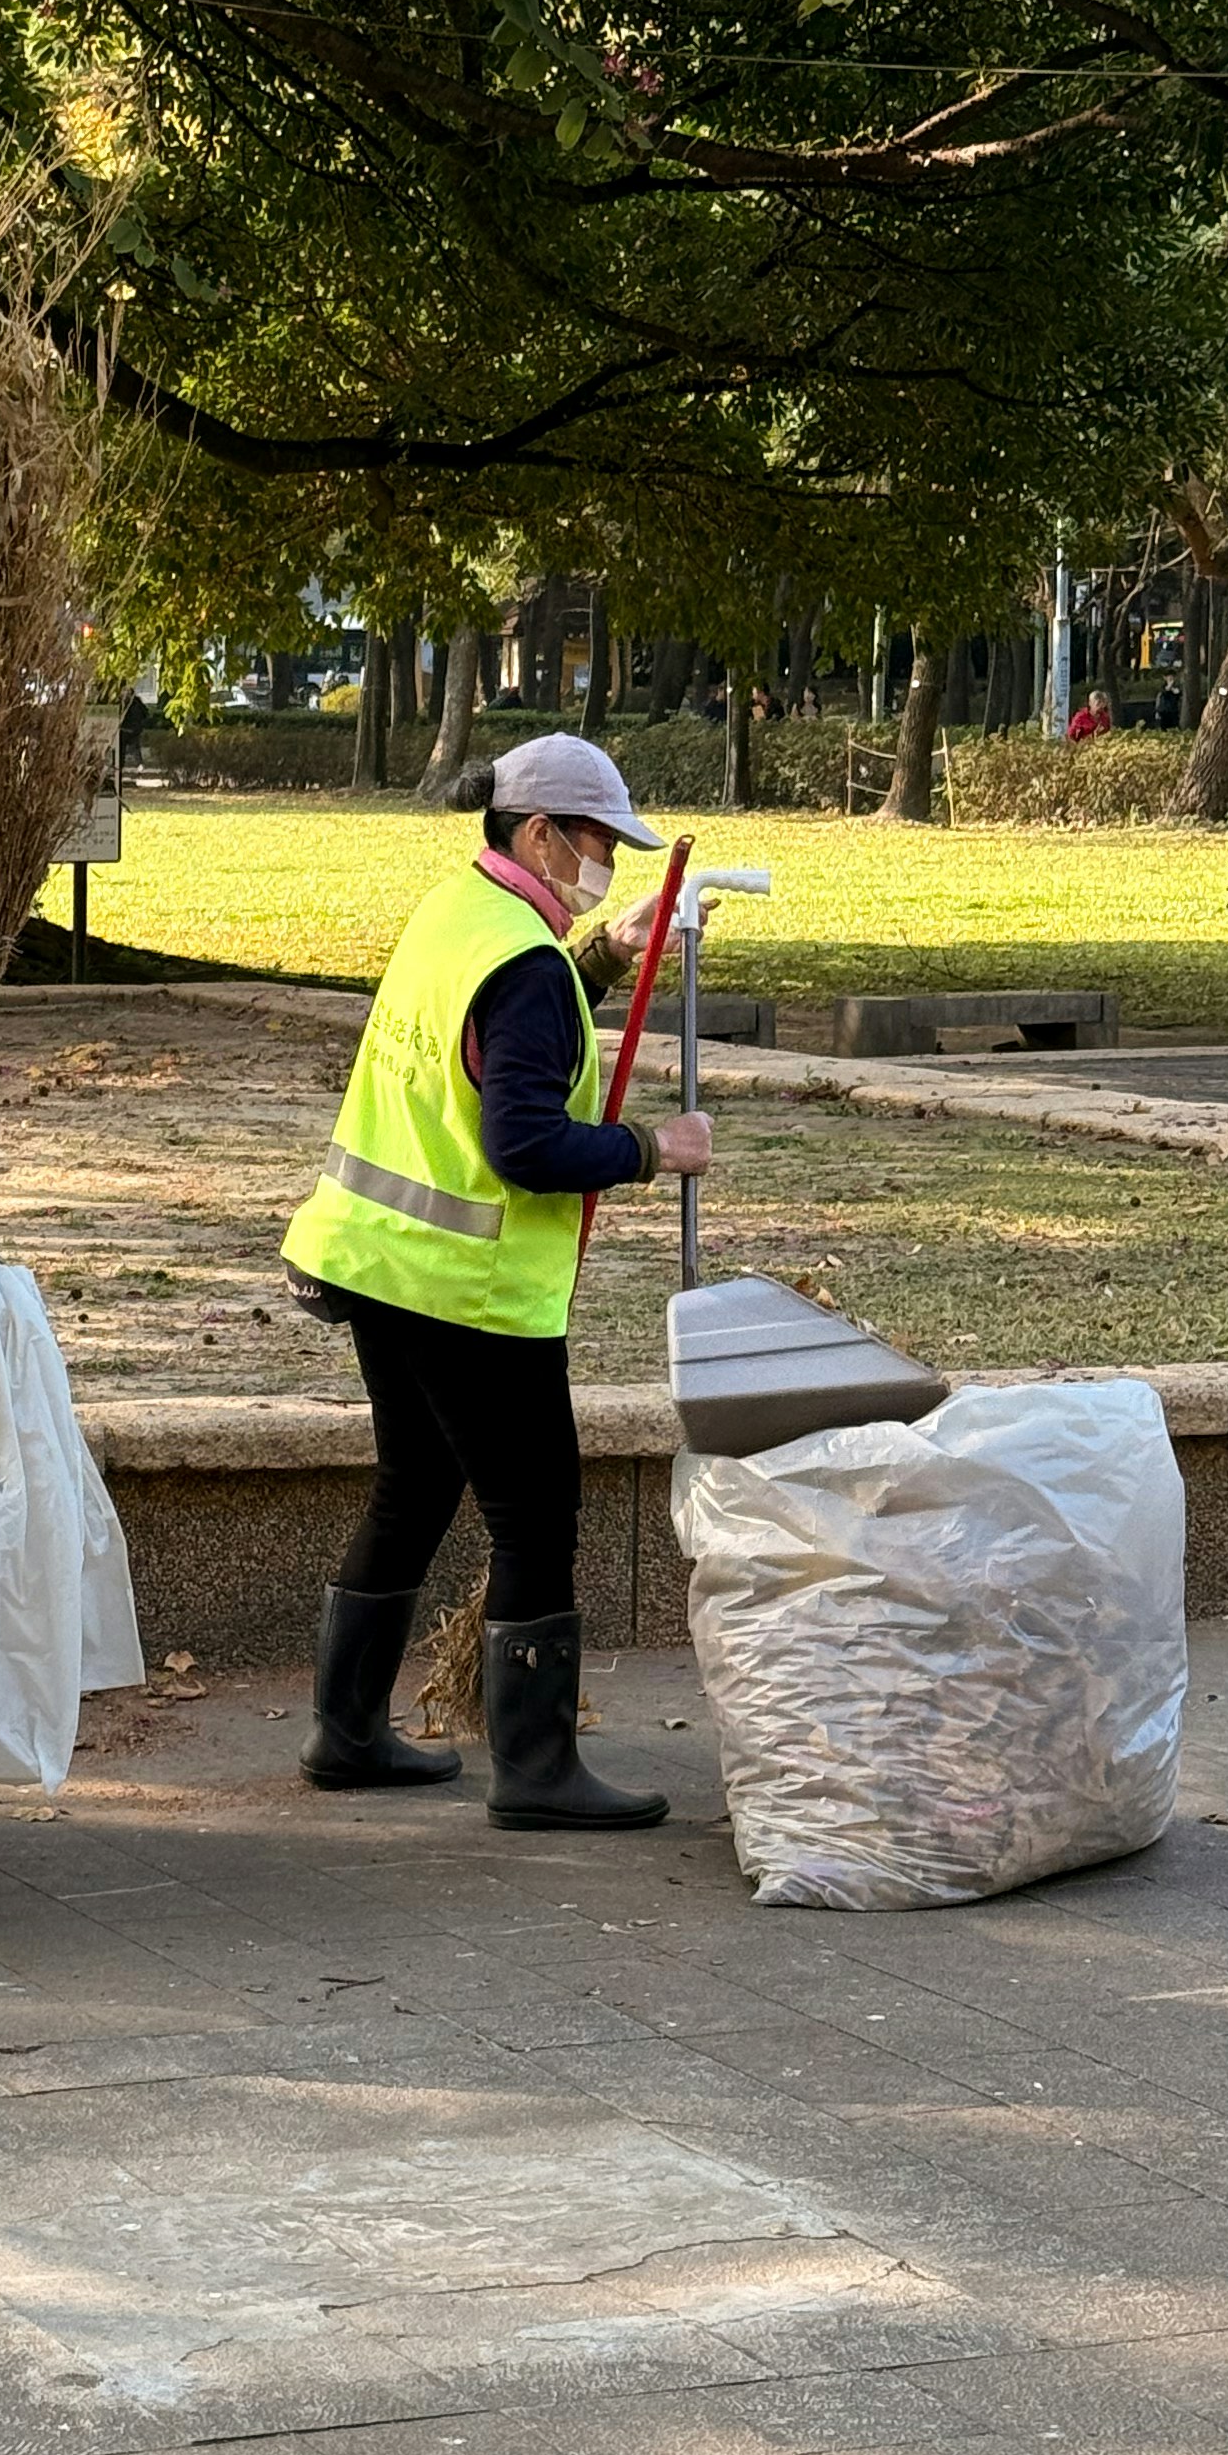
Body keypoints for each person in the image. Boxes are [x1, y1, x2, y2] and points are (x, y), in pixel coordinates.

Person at [281, 734, 712, 1831]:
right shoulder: (521, 964)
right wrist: (653, 1151)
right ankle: (537, 1768)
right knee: (534, 1514)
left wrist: (603, 959)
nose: (606, 861)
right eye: (597, 842)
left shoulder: (459, 916)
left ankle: (347, 1734)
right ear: (539, 834)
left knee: (415, 1484)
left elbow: (503, 1031)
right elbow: (525, 1142)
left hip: (373, 1261)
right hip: (467, 1289)